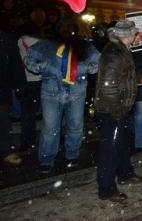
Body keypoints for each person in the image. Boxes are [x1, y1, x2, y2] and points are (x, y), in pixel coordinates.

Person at [26, 16, 100, 173]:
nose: (67, 30)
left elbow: (98, 61)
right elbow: (29, 58)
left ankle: (72, 155)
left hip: (77, 91)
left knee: (75, 125)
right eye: (63, 27)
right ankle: (46, 159)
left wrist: (88, 68)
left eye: (70, 27)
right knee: (50, 127)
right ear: (58, 29)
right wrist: (42, 66)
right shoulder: (46, 44)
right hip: (51, 90)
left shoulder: (84, 46)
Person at [95, 20, 142, 202]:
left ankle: (125, 173)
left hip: (121, 107)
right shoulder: (113, 52)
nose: (136, 36)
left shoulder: (121, 49)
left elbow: (124, 76)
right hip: (112, 109)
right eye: (135, 34)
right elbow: (108, 86)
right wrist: (117, 109)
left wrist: (140, 78)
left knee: (122, 144)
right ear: (127, 36)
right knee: (110, 150)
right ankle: (106, 189)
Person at [0, 28, 26, 166]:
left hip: (2, 86)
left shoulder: (6, 39)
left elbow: (15, 63)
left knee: (3, 120)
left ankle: (5, 151)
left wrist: (20, 84)